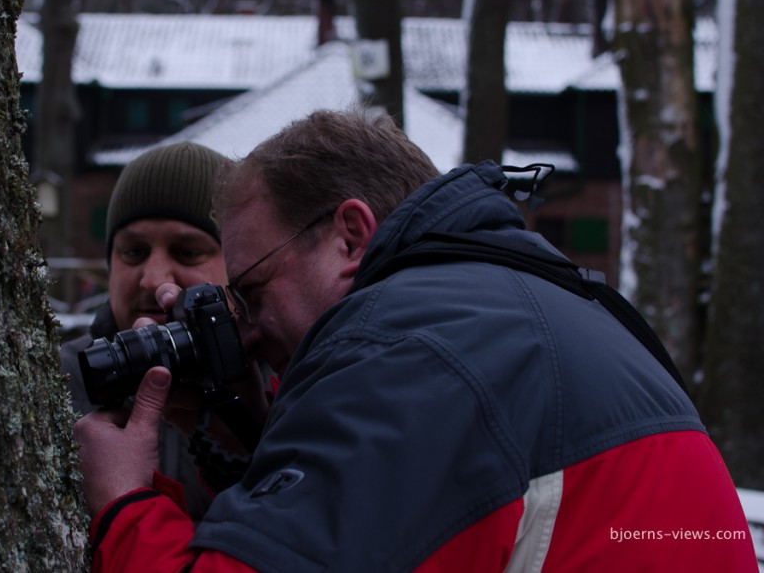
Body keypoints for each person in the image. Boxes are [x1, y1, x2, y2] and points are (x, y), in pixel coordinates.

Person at [73, 110, 756, 571]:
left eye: (249, 291)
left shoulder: (405, 349)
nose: (244, 332)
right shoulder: (530, 302)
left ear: (350, 235)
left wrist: (127, 503)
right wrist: (251, 430)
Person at [60, 141, 232, 518]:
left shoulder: (275, 395)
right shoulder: (53, 380)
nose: (153, 280)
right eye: (133, 252)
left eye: (187, 252)